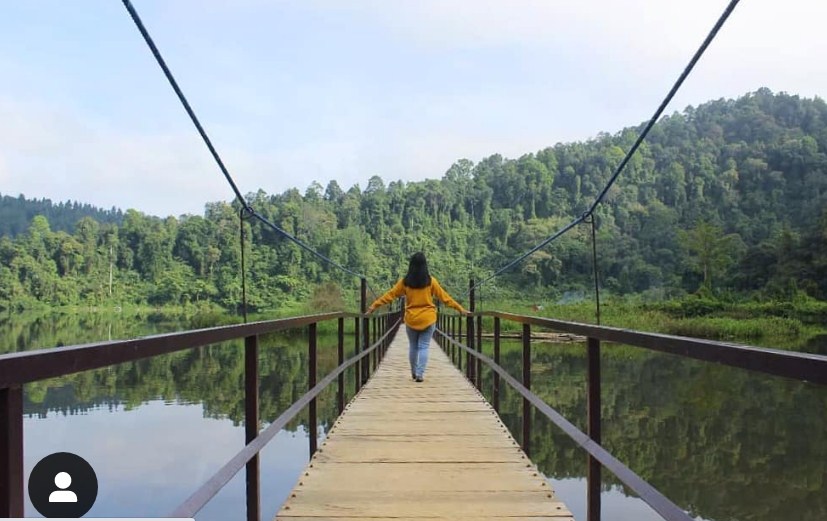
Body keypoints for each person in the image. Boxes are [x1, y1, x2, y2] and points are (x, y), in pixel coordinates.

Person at [366, 252, 469, 382]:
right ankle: (420, 374)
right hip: (428, 319)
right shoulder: (431, 281)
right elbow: (445, 298)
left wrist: (373, 306)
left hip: (411, 319)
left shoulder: (405, 282)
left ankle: (414, 372)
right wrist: (460, 309)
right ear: (425, 265)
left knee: (413, 346)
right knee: (424, 346)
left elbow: (390, 295)